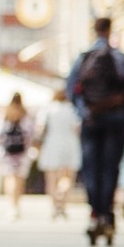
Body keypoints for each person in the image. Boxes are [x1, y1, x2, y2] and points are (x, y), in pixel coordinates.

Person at [66, 14, 124, 247]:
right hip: (115, 122)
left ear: (94, 31)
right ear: (110, 31)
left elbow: (72, 90)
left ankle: (93, 214)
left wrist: (85, 112)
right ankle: (107, 215)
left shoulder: (83, 59)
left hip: (91, 122)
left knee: (91, 169)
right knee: (111, 169)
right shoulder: (120, 58)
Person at [35, 87, 83, 222]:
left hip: (52, 143)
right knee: (68, 177)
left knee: (51, 178)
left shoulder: (48, 109)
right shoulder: (72, 109)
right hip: (70, 144)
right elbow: (77, 129)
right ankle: (63, 201)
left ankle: (54, 204)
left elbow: (39, 129)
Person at [0, 89, 33, 217]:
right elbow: (31, 133)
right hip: (22, 152)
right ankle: (16, 204)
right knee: (19, 179)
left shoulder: (4, 113)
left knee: (9, 178)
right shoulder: (25, 114)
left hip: (7, 152)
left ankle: (10, 205)